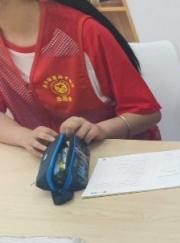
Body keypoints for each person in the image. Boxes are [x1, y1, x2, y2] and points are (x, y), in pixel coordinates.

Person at [0, 0, 162, 157]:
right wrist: (23, 136)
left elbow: (147, 113)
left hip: (118, 156)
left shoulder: (85, 31)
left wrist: (101, 130)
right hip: (49, 163)